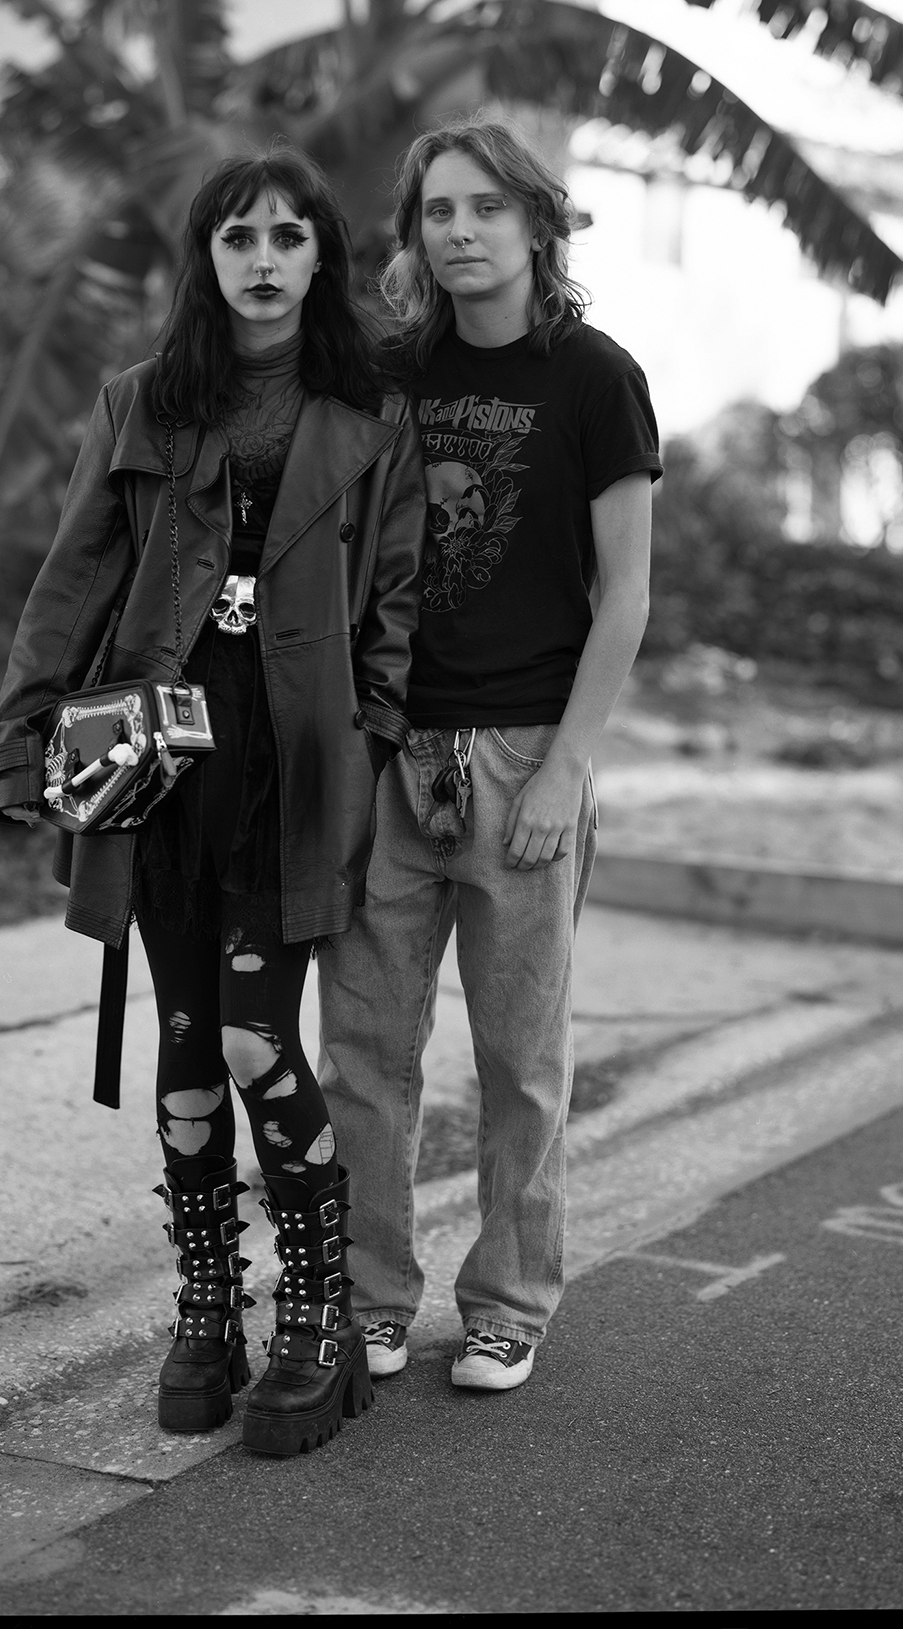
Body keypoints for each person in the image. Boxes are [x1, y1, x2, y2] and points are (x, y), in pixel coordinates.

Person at [0, 147, 426, 1454]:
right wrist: (22, 748)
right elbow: (71, 584)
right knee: (184, 1056)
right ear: (209, 258)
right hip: (156, 763)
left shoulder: (367, 413)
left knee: (249, 1037)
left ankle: (318, 1313)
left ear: (321, 258)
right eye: (241, 238)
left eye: (291, 236)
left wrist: (374, 740)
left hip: (293, 770)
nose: (267, 259)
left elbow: (392, 607)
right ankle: (208, 1305)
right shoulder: (140, 404)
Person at [318, 116, 661, 1393]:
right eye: (437, 212)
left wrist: (569, 769)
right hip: (388, 751)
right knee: (364, 1053)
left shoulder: (594, 377)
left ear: (536, 223)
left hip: (525, 754)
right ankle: (369, 1295)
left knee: (520, 1060)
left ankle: (510, 1301)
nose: (458, 232)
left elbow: (624, 596)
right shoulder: (390, 371)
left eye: (484, 210)